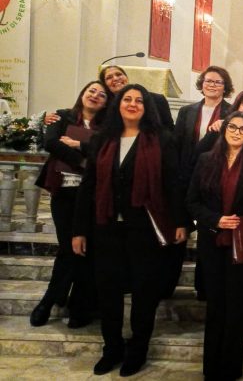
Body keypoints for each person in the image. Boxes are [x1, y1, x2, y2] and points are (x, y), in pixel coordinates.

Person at [72, 84, 188, 377]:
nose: (133, 104)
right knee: (108, 293)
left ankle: (137, 350)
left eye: (139, 100)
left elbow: (174, 184)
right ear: (118, 105)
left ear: (147, 107)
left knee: (144, 293)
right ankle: (111, 349)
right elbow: (88, 187)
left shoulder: (162, 139)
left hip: (145, 230)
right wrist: (79, 230)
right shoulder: (102, 140)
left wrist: (180, 222)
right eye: (127, 99)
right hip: (106, 227)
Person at [187, 111, 243, 381]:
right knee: (215, 307)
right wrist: (216, 220)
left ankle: (231, 369)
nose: (236, 132)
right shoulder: (205, 160)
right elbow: (192, 202)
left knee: (236, 308)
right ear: (223, 131)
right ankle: (211, 369)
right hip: (213, 241)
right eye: (232, 127)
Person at [32, 81, 107, 329]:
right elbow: (51, 143)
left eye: (102, 94)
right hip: (64, 193)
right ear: (82, 94)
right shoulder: (62, 116)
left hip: (93, 195)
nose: (95, 96)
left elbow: (106, 151)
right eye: (91, 91)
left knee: (87, 248)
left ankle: (78, 304)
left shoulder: (107, 126)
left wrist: (78, 146)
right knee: (68, 247)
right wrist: (83, 161)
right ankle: (50, 300)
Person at [172, 66, 233, 300]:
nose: (213, 85)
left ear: (225, 87)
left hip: (215, 176)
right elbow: (179, 143)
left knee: (209, 233)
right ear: (202, 83)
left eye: (218, 82)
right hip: (189, 172)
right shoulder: (187, 111)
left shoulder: (230, 112)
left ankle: (207, 285)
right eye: (209, 81)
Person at [99, 65, 174, 129]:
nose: (115, 78)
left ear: (126, 78)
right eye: (109, 77)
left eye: (119, 74)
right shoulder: (104, 107)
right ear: (105, 84)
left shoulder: (157, 100)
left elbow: (169, 129)